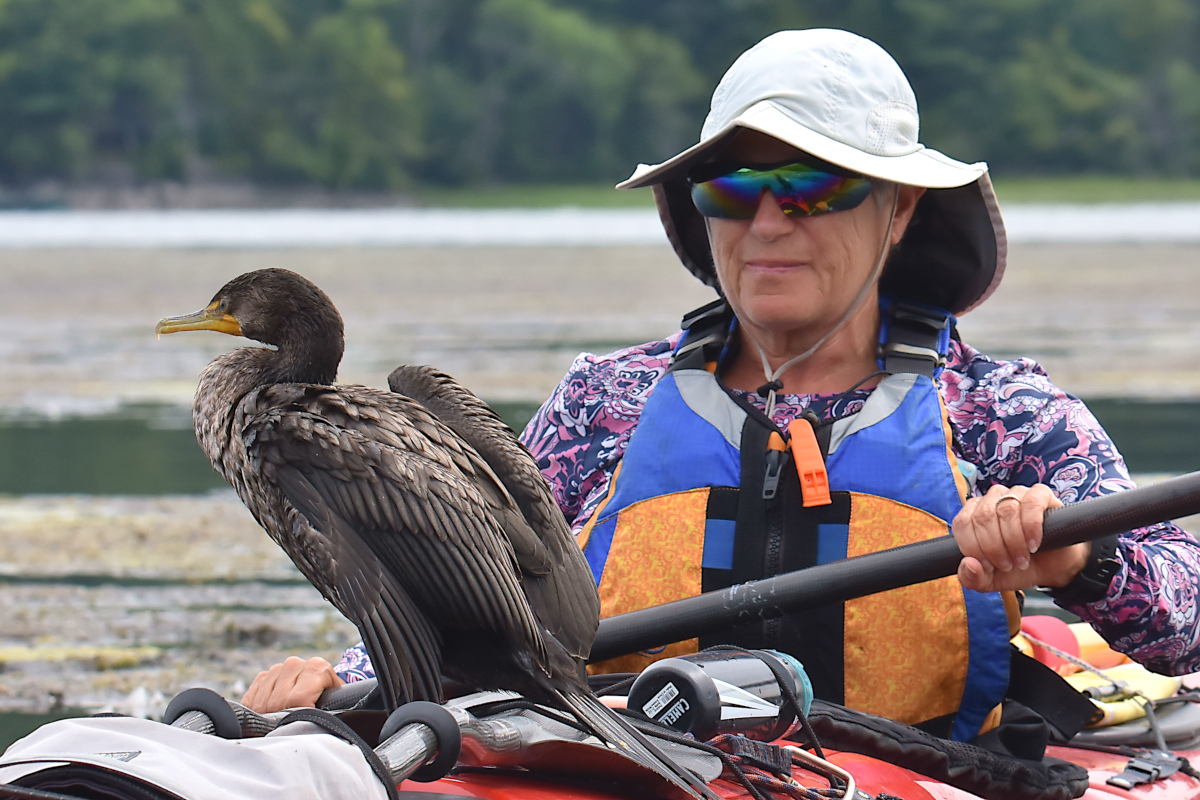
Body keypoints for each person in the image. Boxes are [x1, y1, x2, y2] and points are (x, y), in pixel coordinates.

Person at [243, 29, 1200, 741]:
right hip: (634, 763)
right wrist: (343, 678)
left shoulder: (1003, 416)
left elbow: (1188, 617)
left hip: (920, 770)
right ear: (700, 212)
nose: (769, 222)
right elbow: (464, 588)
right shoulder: (602, 406)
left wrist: (1080, 565)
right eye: (732, 189)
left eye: (813, 187)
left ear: (900, 209)